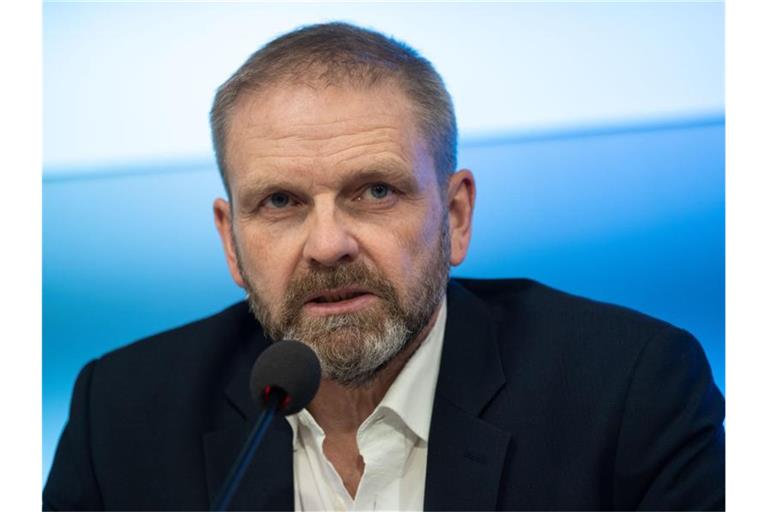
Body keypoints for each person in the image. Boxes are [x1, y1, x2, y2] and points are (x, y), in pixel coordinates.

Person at [43, 22, 725, 511]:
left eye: (375, 191)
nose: (328, 244)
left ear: (455, 216)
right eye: (280, 202)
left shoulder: (632, 391)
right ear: (231, 242)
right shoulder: (123, 417)